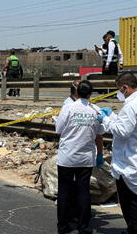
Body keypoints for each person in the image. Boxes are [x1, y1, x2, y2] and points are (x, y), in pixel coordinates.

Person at [97, 73, 137, 234]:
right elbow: (131, 125)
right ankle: (135, 229)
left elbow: (122, 131)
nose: (119, 93)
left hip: (130, 161)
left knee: (130, 201)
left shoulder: (131, 106)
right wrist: (113, 115)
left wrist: (105, 120)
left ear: (125, 87)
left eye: (119, 90)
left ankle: (135, 230)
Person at [55, 80, 105, 234]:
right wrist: (100, 154)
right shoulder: (96, 110)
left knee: (64, 191)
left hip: (67, 157)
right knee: (83, 191)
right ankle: (83, 227)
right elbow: (99, 135)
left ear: (77, 92)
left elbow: (58, 130)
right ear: (90, 93)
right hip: (86, 158)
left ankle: (63, 226)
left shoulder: (68, 108)